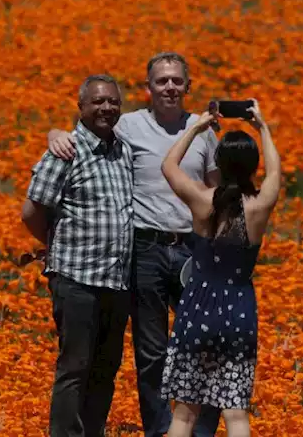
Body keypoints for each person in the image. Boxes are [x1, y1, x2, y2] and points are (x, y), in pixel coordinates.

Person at [47, 53, 222, 437]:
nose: (170, 87)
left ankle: (201, 430)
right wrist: (55, 135)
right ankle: (160, 431)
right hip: (145, 250)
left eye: (177, 80)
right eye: (161, 81)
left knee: (202, 346)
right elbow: (88, 131)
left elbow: (215, 191)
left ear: (188, 87)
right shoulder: (128, 125)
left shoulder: (203, 130)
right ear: (149, 87)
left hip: (193, 247)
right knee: (152, 352)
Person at [158, 101, 280, 437]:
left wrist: (196, 128)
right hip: (239, 309)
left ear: (219, 164)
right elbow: (275, 174)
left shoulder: (202, 199)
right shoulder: (260, 204)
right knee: (236, 413)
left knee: (184, 415)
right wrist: (263, 126)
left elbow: (168, 166)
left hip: (198, 307)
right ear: (252, 165)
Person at [23, 75, 135, 437]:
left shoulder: (123, 150)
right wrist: (56, 248)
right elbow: (32, 211)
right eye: (98, 102)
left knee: (106, 367)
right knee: (75, 366)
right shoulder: (65, 151)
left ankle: (93, 432)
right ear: (81, 107)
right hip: (76, 279)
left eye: (113, 102)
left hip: (116, 281)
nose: (106, 108)